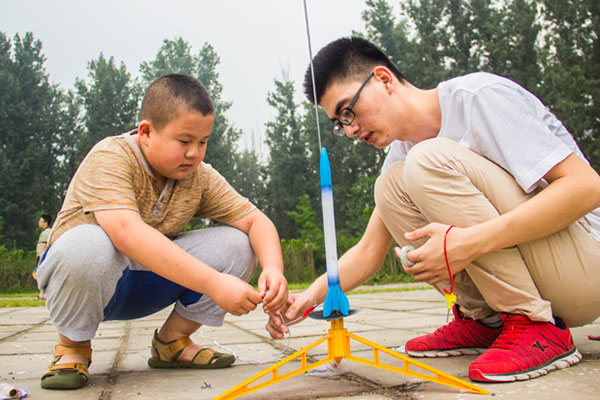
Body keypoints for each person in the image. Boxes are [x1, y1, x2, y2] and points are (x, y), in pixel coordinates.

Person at [266, 37, 600, 383]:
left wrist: (470, 241)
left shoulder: (478, 98)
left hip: (585, 268)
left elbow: (587, 187)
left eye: (348, 111)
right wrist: (308, 297)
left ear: (383, 78)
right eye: (339, 123)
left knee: (425, 160)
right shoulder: (400, 155)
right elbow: (369, 251)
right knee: (390, 186)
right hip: (549, 275)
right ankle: (484, 319)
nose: (349, 130)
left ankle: (533, 323)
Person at [36, 74, 288, 390]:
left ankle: (171, 343)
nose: (194, 153)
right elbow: (126, 233)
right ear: (146, 132)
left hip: (145, 284)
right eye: (184, 141)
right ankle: (73, 347)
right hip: (86, 280)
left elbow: (255, 221)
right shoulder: (111, 157)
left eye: (203, 141)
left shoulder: (199, 177)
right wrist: (214, 283)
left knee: (239, 244)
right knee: (89, 242)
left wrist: (274, 272)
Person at [33, 214, 52, 299]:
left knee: (39, 274)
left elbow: (43, 247)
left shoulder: (46, 233)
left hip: (42, 256)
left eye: (41, 221)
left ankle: (42, 294)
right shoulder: (45, 232)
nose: (39, 223)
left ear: (46, 223)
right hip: (41, 256)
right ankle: (42, 293)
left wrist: (40, 260)